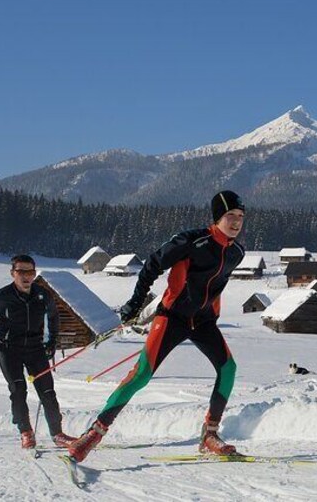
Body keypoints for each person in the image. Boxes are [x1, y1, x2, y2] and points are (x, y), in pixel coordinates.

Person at [68, 190, 246, 462]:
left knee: (228, 369)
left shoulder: (236, 253)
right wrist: (135, 303)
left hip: (202, 322)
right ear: (216, 217)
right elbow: (152, 264)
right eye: (230, 216)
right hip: (172, 317)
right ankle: (94, 433)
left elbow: (216, 286)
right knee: (141, 375)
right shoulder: (191, 240)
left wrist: (213, 314)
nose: (236, 222)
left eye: (240, 217)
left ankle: (210, 434)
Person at [0, 254, 76, 449]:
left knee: (47, 392)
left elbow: (54, 316)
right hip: (8, 348)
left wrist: (52, 340)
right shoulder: (2, 296)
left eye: (30, 272)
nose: (26, 276)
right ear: (13, 273)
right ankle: (26, 432)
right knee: (18, 389)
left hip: (35, 348)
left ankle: (58, 434)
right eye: (21, 271)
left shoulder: (42, 294)